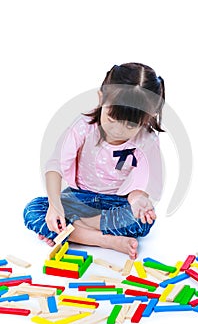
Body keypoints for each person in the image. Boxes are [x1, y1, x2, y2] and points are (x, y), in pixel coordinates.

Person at [23, 62, 165, 259]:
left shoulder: (147, 141)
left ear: (148, 117)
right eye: (112, 119)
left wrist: (138, 200)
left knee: (141, 222)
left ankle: (69, 233)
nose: (118, 130)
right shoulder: (83, 127)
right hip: (78, 198)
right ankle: (104, 240)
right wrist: (55, 206)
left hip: (115, 204)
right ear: (101, 98)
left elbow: (140, 185)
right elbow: (55, 166)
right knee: (33, 210)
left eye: (130, 125)